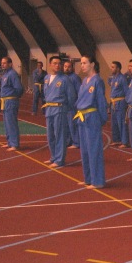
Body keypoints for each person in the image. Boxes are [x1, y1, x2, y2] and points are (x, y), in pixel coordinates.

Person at [74, 55, 107, 188]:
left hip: (92, 117)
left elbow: (101, 102)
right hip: (82, 117)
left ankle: (97, 181)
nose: (82, 66)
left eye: (84, 63)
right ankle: (88, 178)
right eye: (81, 63)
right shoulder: (84, 81)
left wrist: (101, 120)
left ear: (92, 64)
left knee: (94, 150)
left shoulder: (97, 81)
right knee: (85, 150)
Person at [42, 56, 76, 168]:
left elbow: (71, 96)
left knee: (59, 135)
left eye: (59, 63)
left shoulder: (65, 79)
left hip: (59, 109)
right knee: (50, 135)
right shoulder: (46, 78)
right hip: (49, 109)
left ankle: (60, 159)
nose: (57, 65)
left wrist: (68, 109)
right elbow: (45, 94)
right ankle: (53, 157)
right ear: (50, 64)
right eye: (55, 63)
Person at [0, 57, 24, 151]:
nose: (2, 65)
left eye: (4, 63)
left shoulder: (12, 74)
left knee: (11, 122)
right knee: (7, 123)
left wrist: (14, 97)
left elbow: (19, 88)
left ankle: (14, 144)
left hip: (11, 101)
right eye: (2, 63)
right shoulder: (5, 74)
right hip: (5, 101)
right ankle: (9, 142)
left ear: (10, 64)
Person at [109, 61, 129, 148]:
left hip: (120, 103)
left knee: (121, 122)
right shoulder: (113, 78)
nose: (111, 69)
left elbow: (126, 91)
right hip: (113, 103)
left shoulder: (122, 78)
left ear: (118, 68)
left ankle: (124, 141)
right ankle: (117, 139)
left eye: (113, 67)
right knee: (114, 123)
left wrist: (127, 104)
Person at [63, 60, 81, 149]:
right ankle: (68, 141)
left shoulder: (75, 78)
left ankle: (76, 142)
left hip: (72, 106)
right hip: (64, 105)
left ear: (72, 68)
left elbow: (79, 91)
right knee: (66, 125)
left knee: (73, 124)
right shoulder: (63, 77)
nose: (67, 68)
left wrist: (77, 104)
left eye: (69, 67)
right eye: (65, 66)